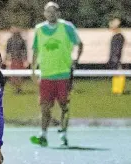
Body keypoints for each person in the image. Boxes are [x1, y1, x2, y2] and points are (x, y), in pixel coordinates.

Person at [30, 1, 83, 147]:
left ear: (58, 13)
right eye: (48, 11)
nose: (51, 14)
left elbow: (80, 44)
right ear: (44, 13)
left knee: (64, 105)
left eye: (54, 11)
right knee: (44, 106)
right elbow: (35, 50)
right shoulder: (39, 29)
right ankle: (43, 134)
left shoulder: (67, 27)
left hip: (63, 74)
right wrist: (33, 70)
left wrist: (75, 60)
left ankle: (63, 133)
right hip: (46, 75)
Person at [5, 26, 28, 94]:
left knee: (20, 75)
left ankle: (18, 88)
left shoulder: (22, 40)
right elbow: (7, 51)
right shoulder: (10, 40)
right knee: (13, 75)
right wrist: (7, 60)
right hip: (13, 59)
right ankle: (16, 88)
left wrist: (25, 60)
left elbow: (24, 51)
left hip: (20, 60)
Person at [107, 17, 126, 95]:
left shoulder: (118, 36)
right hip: (115, 57)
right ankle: (116, 89)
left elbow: (116, 49)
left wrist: (115, 57)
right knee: (116, 73)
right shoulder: (117, 36)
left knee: (119, 72)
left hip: (116, 57)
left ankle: (119, 90)